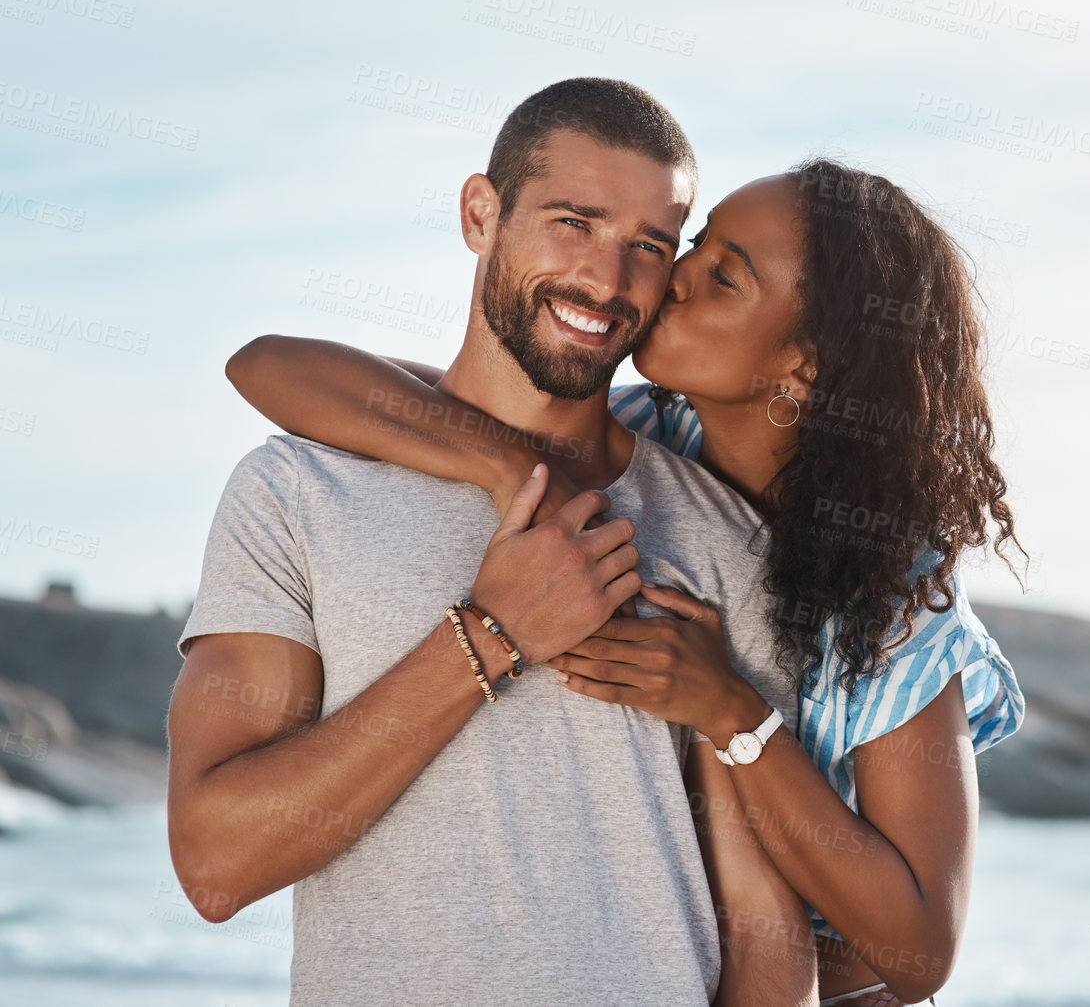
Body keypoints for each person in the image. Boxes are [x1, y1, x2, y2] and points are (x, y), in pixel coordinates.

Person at [226, 155, 1027, 1005]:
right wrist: (513, 466)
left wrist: (731, 711)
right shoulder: (642, 437)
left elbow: (919, 951)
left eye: (724, 276)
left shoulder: (886, 592)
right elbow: (273, 367)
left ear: (803, 365)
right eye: (697, 242)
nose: (673, 277)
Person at [167, 78, 820, 1007]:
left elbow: (762, 927)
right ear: (482, 213)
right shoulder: (297, 489)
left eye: (647, 245)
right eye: (572, 222)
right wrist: (487, 636)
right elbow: (214, 862)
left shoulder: (724, 540)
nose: (605, 279)